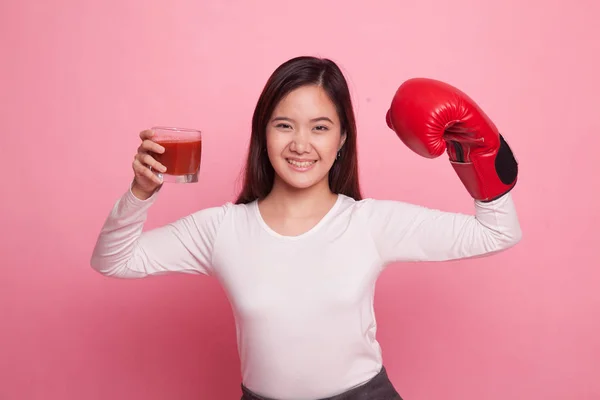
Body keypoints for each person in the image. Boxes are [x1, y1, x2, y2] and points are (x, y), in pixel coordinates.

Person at [90, 56, 522, 400]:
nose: (300, 144)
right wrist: (140, 192)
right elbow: (114, 260)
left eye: (320, 127)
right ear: (263, 133)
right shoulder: (221, 229)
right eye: (284, 125)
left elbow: (497, 232)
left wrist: (477, 151)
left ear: (342, 140)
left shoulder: (369, 223)